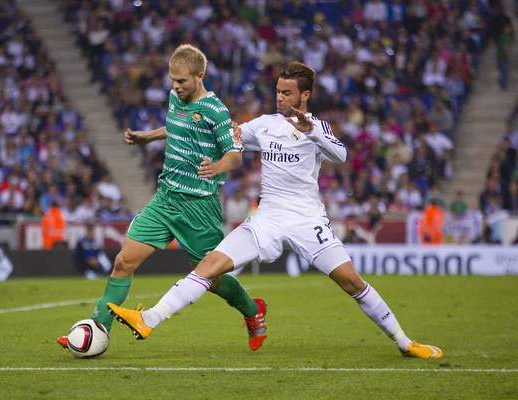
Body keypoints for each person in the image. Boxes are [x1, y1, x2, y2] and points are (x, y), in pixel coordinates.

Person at [107, 62, 443, 359]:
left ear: (304, 96)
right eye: (277, 91)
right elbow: (223, 135)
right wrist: (165, 140)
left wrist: (310, 132)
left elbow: (340, 154)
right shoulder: (263, 125)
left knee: (351, 281)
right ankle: (148, 319)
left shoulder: (317, 128)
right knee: (209, 266)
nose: (279, 98)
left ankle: (404, 341)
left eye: (287, 92)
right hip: (267, 217)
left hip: (307, 219)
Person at [58, 44, 267, 351]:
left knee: (213, 278)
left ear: (200, 76)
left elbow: (235, 156)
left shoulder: (216, 111)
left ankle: (253, 310)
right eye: (172, 80)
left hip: (199, 206)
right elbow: (174, 127)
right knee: (123, 261)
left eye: (181, 81)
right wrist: (146, 136)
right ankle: (97, 328)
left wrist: (217, 166)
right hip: (165, 199)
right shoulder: (175, 99)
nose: (175, 87)